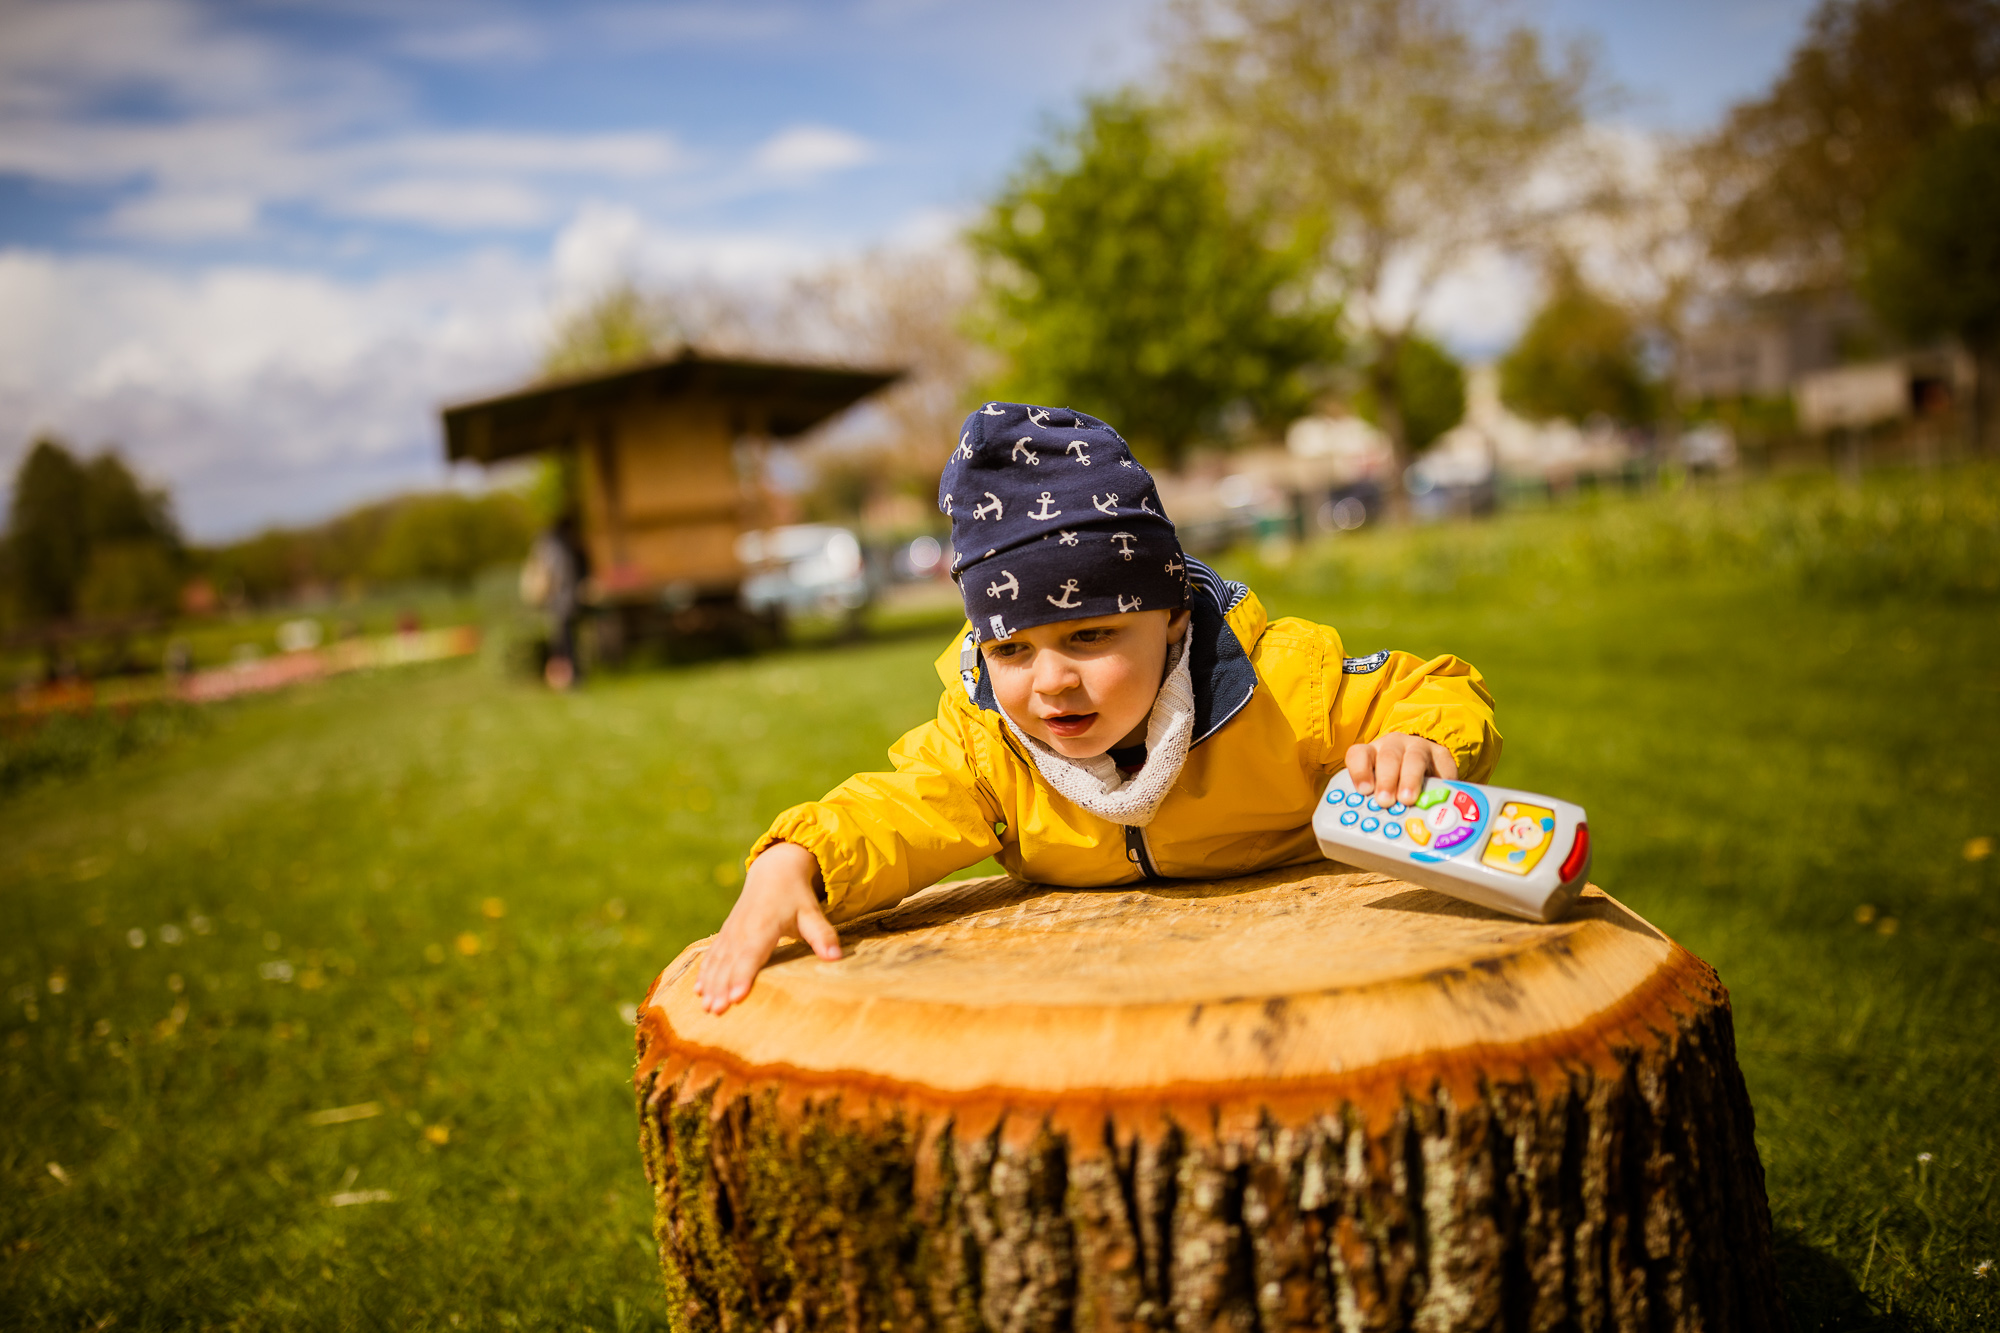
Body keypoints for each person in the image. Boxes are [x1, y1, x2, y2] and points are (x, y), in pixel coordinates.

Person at [695, 403, 1501, 1014]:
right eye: (1012, 648)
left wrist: (1416, 737)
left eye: (1089, 635)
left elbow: (1432, 686)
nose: (1050, 682)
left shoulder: (1282, 688)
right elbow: (896, 809)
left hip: (1314, 985)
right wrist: (797, 859)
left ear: (1173, 615)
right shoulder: (989, 749)